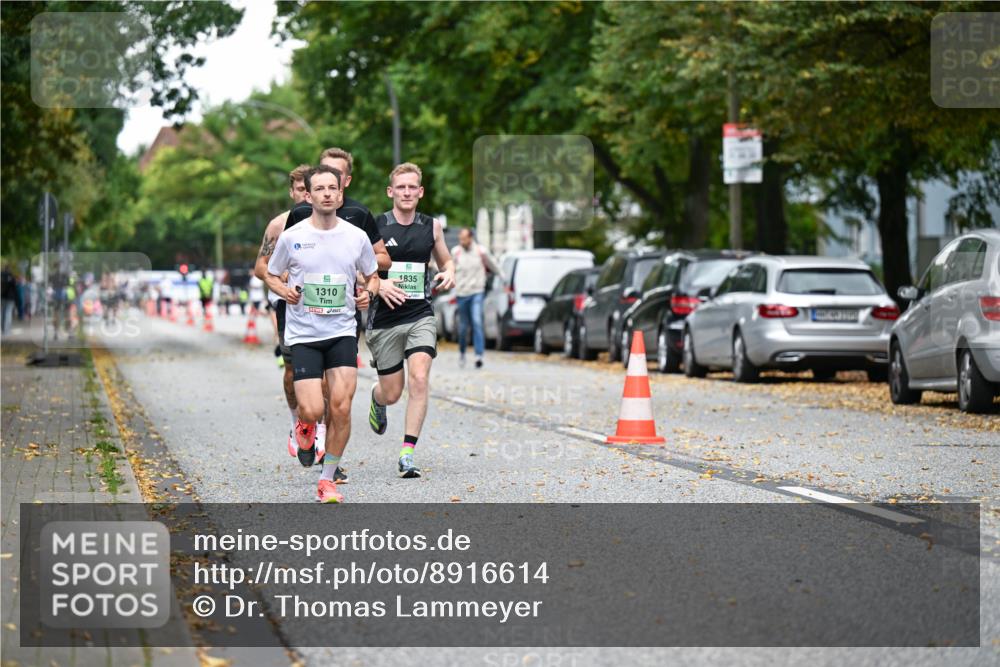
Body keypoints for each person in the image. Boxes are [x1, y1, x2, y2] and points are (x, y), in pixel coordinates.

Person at [265, 165, 380, 503]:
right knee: (314, 409)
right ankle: (304, 425)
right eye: (320, 189)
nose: (328, 193)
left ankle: (327, 479)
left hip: (343, 331)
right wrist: (284, 290)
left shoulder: (356, 236)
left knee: (341, 408)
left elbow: (372, 276)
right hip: (304, 334)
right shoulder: (292, 236)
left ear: (340, 194)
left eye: (333, 188)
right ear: (309, 195)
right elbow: (271, 275)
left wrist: (368, 293)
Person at [367, 162, 456, 478]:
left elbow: (445, 259)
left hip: (420, 315)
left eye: (412, 187)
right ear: (391, 192)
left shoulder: (431, 226)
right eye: (400, 187)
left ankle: (407, 453)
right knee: (392, 392)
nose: (406, 192)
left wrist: (449, 272)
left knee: (419, 378)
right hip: (385, 320)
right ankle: (377, 399)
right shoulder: (375, 227)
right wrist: (380, 283)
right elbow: (359, 271)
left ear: (420, 192)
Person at [451, 227, 503, 368]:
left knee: (477, 321)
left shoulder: (481, 252)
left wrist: (503, 277)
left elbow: (494, 266)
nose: (461, 241)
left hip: (477, 292)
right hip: (462, 293)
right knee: (462, 327)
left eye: (464, 238)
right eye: (460, 238)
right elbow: (449, 268)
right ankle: (462, 353)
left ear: (471, 238)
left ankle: (478, 355)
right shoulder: (456, 252)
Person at [1, 264, 17, 334]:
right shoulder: (11, 276)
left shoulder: (1, 275)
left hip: (2, 296)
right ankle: (7, 330)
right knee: (8, 313)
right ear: (9, 269)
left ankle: (2, 329)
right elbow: (14, 287)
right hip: (10, 297)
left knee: (2, 313)